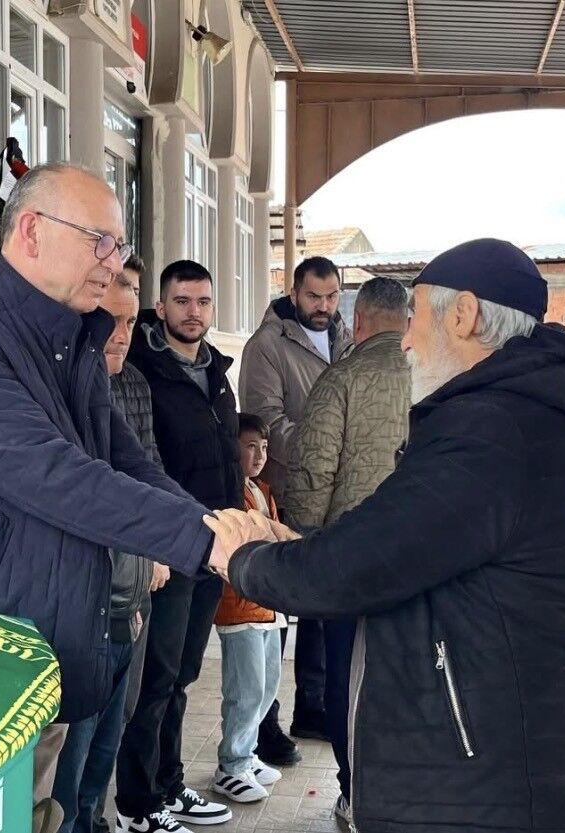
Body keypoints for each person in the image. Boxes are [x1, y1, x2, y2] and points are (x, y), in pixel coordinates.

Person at [206, 238, 565, 833]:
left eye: (415, 318)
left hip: (494, 789)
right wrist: (294, 547)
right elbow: (401, 536)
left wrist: (244, 557)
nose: (405, 341)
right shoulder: (524, 412)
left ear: (463, 314)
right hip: (509, 772)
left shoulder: (496, 429)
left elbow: (360, 566)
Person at [0, 163, 229, 833]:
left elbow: (123, 458)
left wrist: (217, 524)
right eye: (99, 240)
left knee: (52, 812)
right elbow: (58, 475)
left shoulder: (71, 339)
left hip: (35, 661)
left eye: (119, 245)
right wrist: (207, 541)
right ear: (32, 231)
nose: (114, 262)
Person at [115, 260, 242, 833]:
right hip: (170, 548)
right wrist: (158, 544)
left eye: (203, 302)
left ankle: (169, 785)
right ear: (160, 307)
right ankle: (138, 802)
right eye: (183, 301)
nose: (194, 312)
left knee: (185, 672)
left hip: (214, 547)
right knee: (156, 678)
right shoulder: (143, 372)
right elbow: (143, 465)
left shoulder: (217, 371)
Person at [281, 277, 410, 827]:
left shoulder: (342, 378)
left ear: (357, 322)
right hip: (421, 561)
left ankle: (354, 792)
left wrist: (303, 547)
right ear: (406, 321)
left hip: (349, 559)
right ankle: (401, 793)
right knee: (406, 675)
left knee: (345, 678)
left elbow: (313, 472)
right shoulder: (436, 374)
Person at [52, 258, 172, 833]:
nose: (120, 336)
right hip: (85, 604)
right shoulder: (61, 392)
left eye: (129, 322)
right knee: (69, 762)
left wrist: (163, 546)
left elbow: (147, 473)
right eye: (110, 322)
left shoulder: (134, 385)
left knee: (110, 739)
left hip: (133, 593)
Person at [239, 255, 351, 752]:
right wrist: (327, 451)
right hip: (284, 496)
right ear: (294, 293)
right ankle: (265, 724)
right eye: (313, 297)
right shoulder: (268, 345)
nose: (323, 306)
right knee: (276, 614)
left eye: (331, 296)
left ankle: (314, 707)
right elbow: (266, 422)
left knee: (320, 605)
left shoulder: (346, 339)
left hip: (332, 497)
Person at [209, 413, 285, 806]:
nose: (259, 455)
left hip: (268, 607)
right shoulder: (230, 493)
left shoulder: (262, 489)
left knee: (268, 684)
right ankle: (232, 765)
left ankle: (248, 751)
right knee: (245, 689)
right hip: (240, 608)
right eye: (251, 446)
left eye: (264, 447)